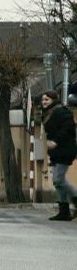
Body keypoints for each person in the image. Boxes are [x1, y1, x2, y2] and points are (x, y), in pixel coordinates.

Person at [41, 90, 77, 221]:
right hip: (56, 152)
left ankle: (75, 199)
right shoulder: (47, 112)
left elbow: (68, 128)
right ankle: (64, 211)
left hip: (65, 150)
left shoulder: (62, 111)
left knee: (58, 179)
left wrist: (56, 141)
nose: (44, 102)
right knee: (58, 182)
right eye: (43, 100)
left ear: (54, 100)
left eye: (47, 100)